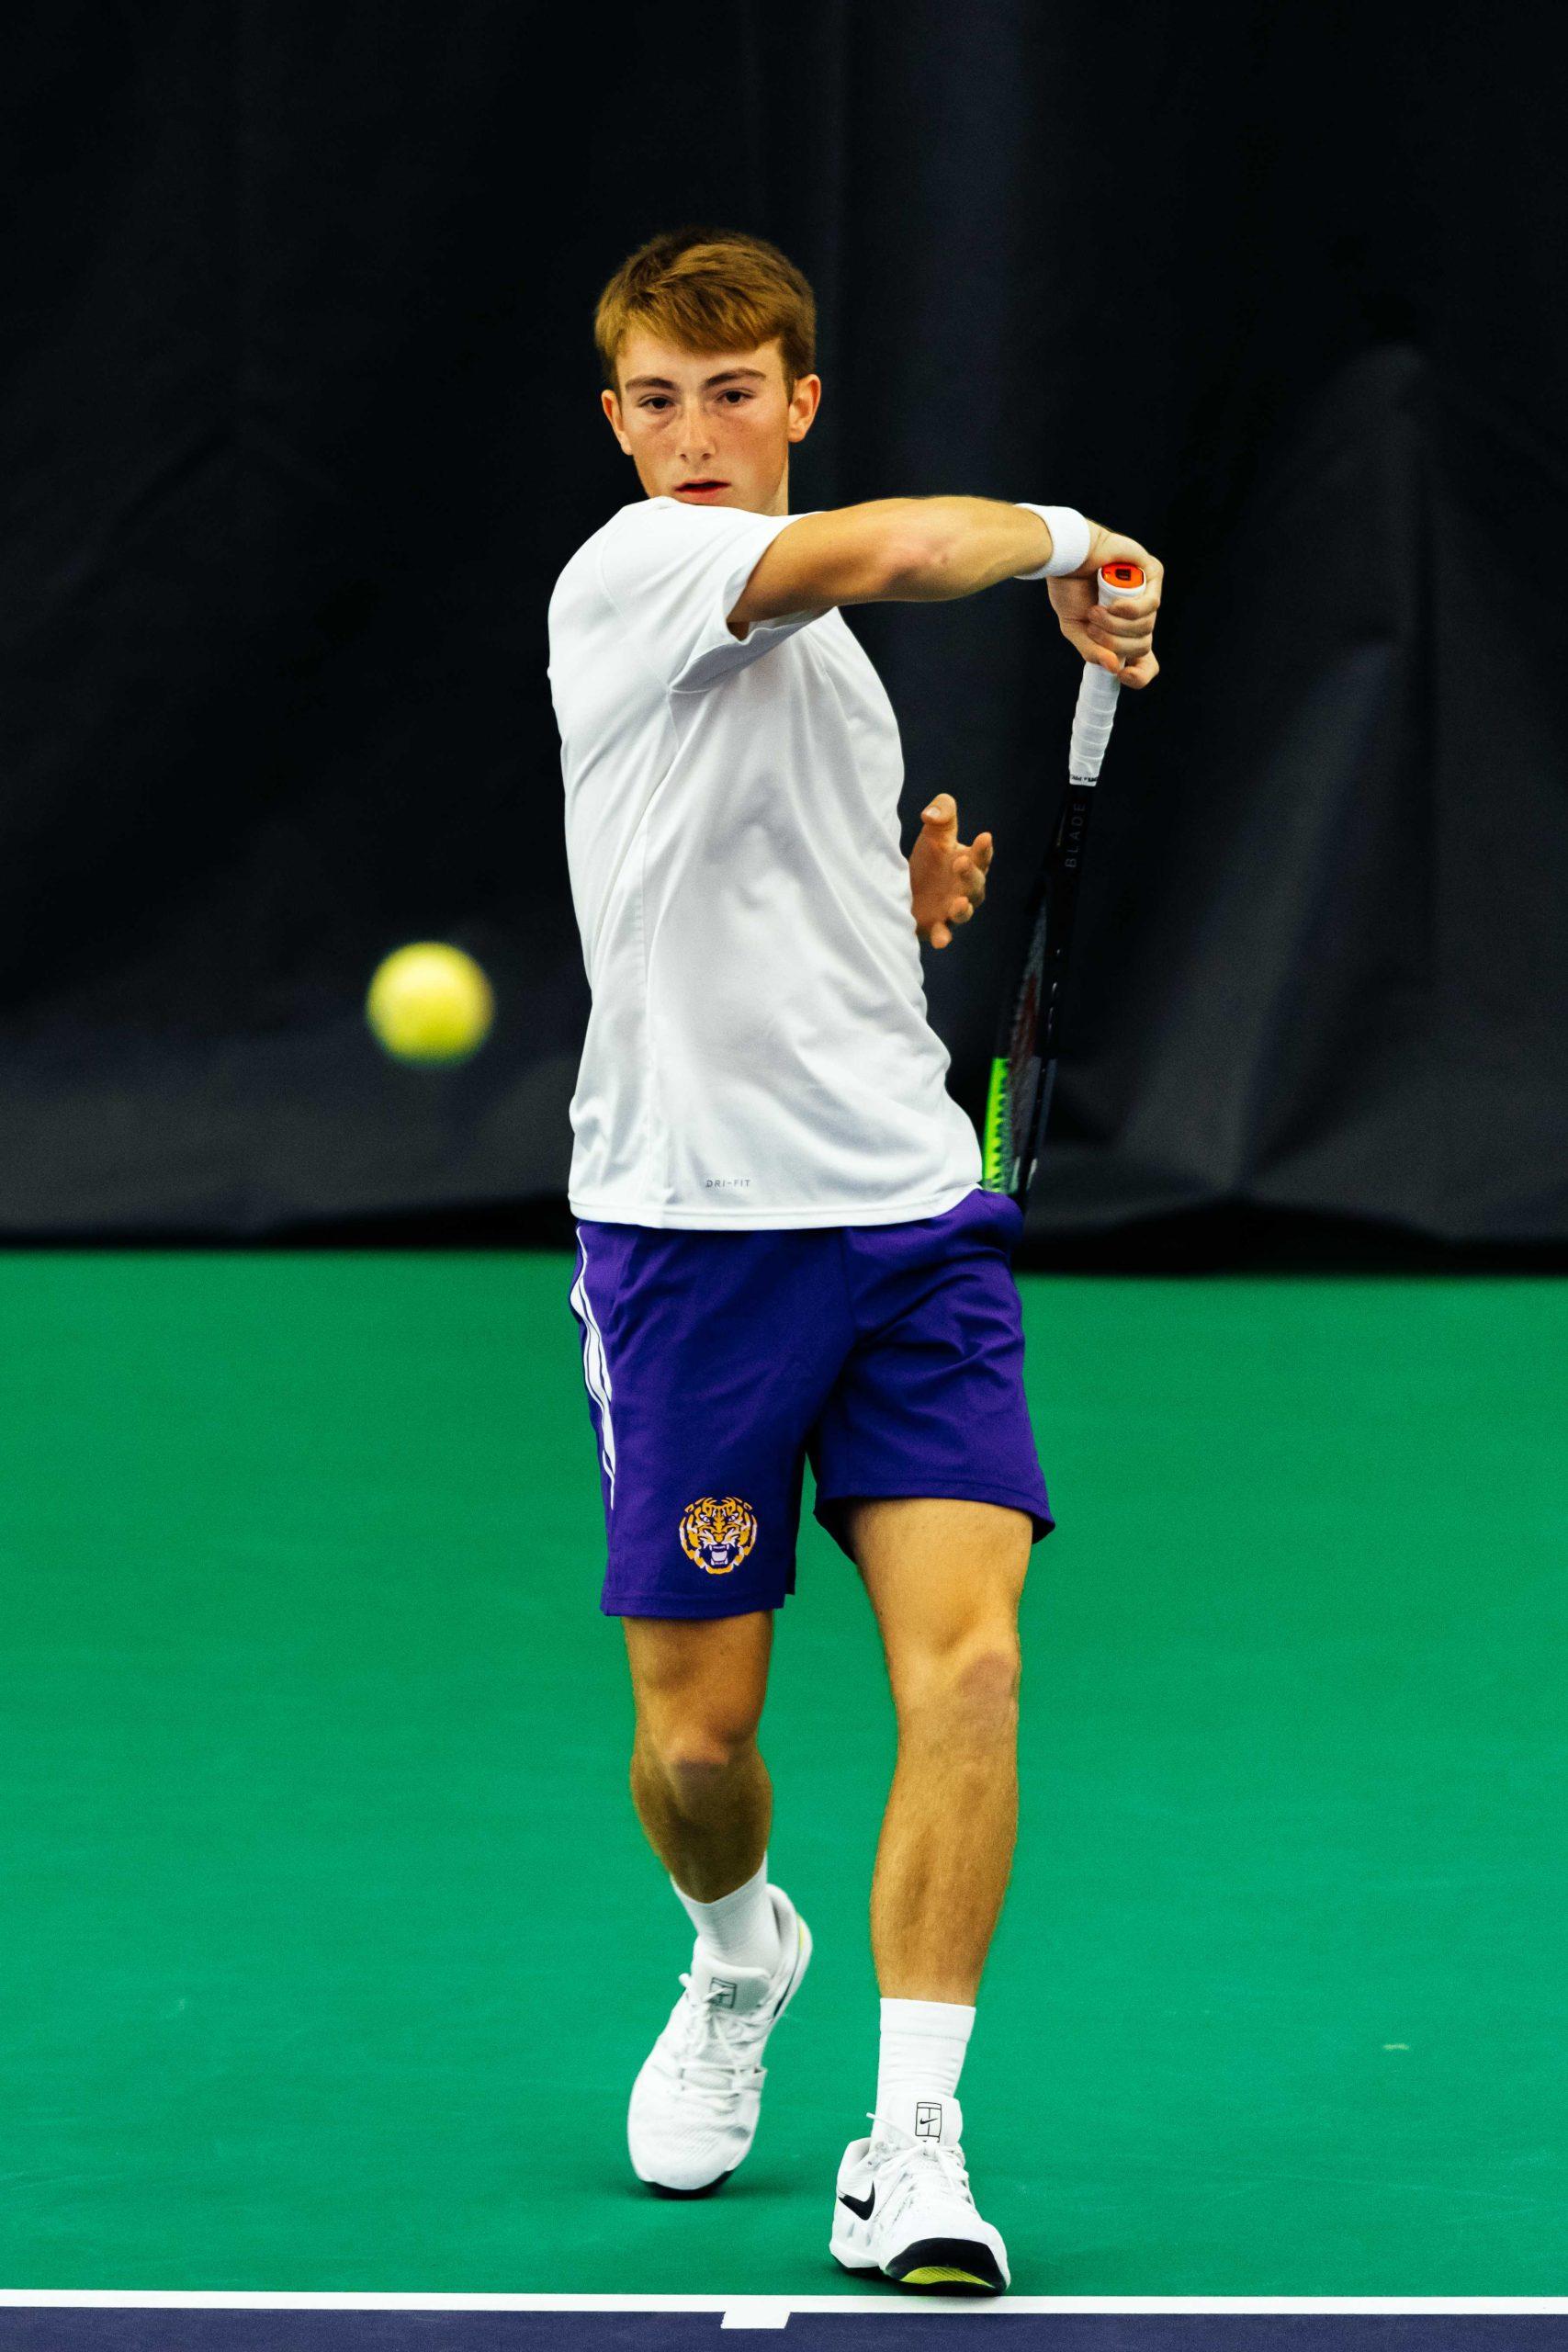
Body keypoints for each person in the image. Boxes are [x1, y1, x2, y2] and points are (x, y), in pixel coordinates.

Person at [547, 224, 1162, 2297]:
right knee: (700, 1744)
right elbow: (899, 551)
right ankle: (738, 1951)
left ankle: (912, 2137)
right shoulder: (632, 572)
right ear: (618, 416)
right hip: (689, 1246)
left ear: (797, 399)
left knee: (969, 1663)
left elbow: (753, 886)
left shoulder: (827, 670)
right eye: (656, 395)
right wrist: (1073, 534)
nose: (695, 434)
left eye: (735, 394)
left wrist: (891, 908)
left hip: (907, 1222)